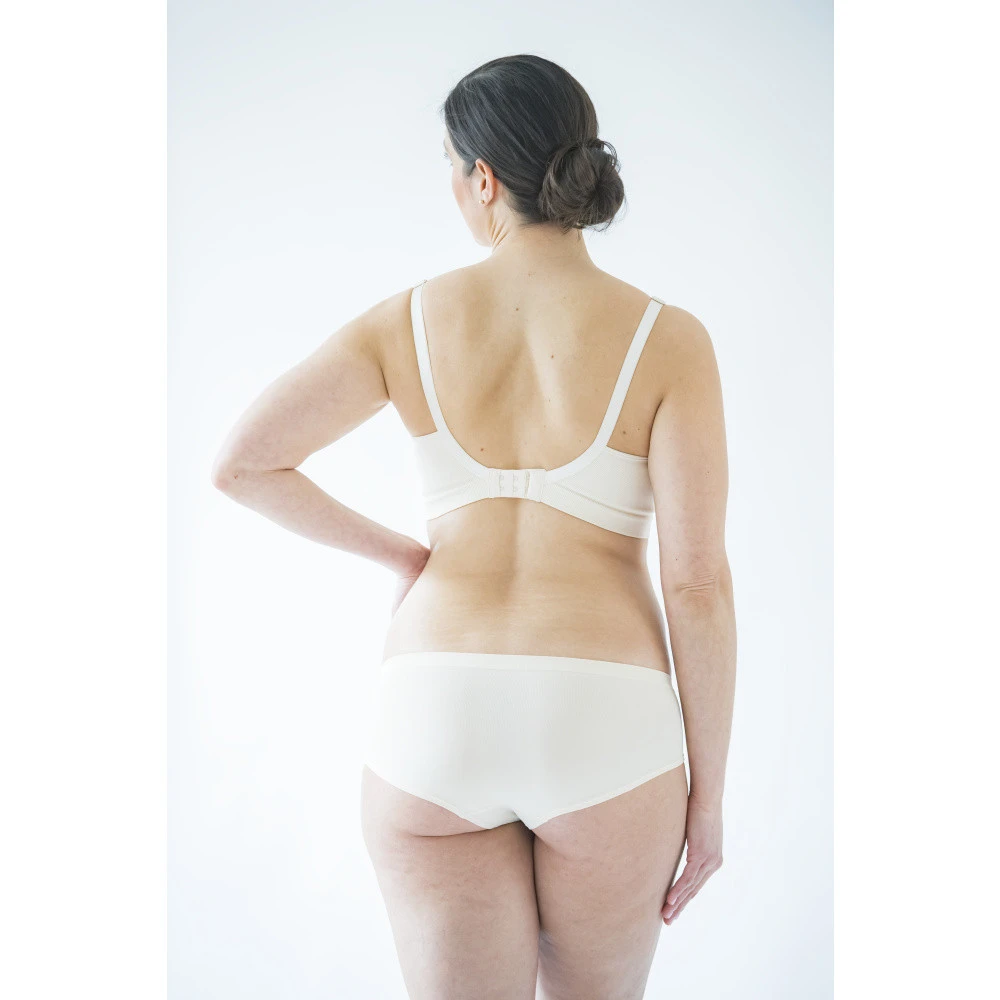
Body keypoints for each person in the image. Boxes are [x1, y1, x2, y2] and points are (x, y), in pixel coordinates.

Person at [212, 53, 736, 1000]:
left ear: (483, 178)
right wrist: (709, 798)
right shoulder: (669, 339)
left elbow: (242, 464)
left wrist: (411, 558)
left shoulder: (408, 321)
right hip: (606, 721)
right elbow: (697, 584)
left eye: (452, 171)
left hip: (435, 710)